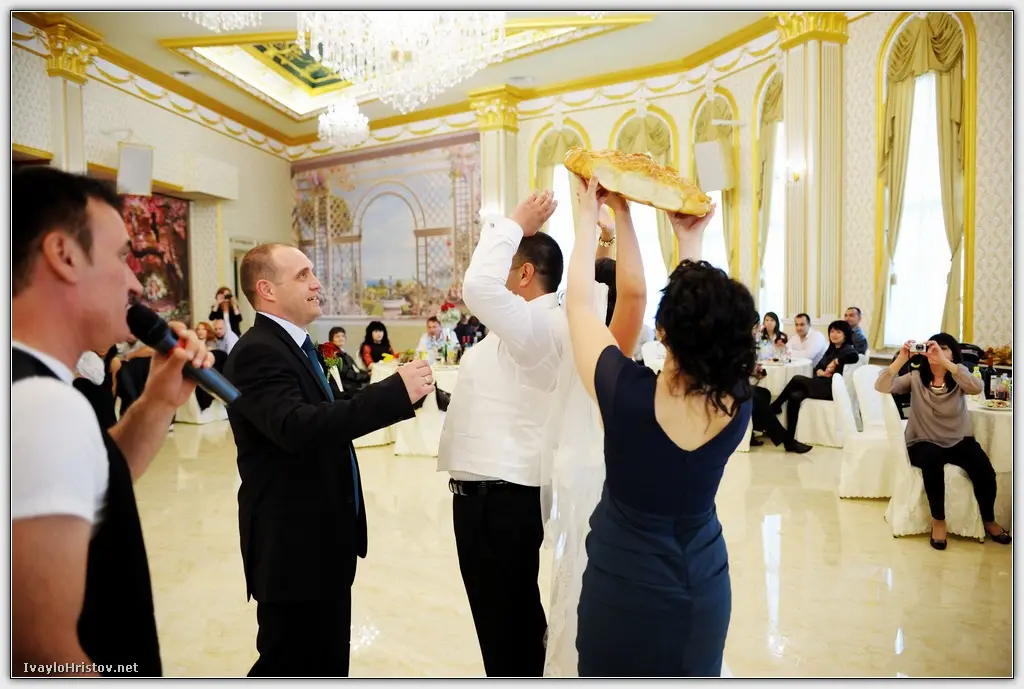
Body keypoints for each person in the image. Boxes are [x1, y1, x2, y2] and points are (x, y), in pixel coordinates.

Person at [12, 167, 214, 676]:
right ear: (64, 255)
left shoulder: (39, 389)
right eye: (122, 256)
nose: (134, 281)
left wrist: (158, 400)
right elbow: (38, 655)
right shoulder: (40, 403)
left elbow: (100, 481)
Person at [566, 175, 751, 677]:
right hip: (704, 583)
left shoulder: (625, 397)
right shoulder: (737, 402)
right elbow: (703, 320)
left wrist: (590, 218)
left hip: (624, 587)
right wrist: (689, 241)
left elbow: (579, 305)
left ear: (663, 332)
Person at [222, 243, 434, 677]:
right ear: (267, 289)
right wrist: (392, 393)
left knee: (325, 663)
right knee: (290, 665)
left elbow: (329, 414)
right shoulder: (256, 352)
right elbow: (298, 427)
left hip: (322, 544)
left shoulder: (294, 346)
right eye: (302, 275)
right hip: (293, 549)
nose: (317, 283)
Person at [437, 190, 562, 677]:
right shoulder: (520, 327)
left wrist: (514, 223)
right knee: (505, 620)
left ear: (525, 273)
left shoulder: (538, 322)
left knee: (509, 623)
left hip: (502, 501)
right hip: (487, 498)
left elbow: (477, 287)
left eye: (507, 265)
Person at [544, 184, 646, 677]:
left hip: (570, 461)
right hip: (604, 468)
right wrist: (617, 221)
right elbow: (632, 294)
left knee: (575, 573)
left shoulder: (570, 333)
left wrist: (595, 228)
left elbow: (585, 296)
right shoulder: (615, 350)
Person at [874, 334, 1011, 550]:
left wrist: (947, 363)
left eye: (943, 348)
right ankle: (938, 521)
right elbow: (881, 386)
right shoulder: (915, 377)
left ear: (953, 354)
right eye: (932, 347)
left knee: (984, 470)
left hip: (958, 439)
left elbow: (977, 388)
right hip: (923, 440)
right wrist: (901, 359)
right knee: (932, 462)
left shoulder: (959, 376)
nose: (935, 350)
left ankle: (989, 520)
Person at [768, 320, 860, 452]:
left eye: (838, 332)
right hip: (822, 384)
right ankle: (790, 440)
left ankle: (775, 406)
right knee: (794, 396)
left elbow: (854, 356)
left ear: (845, 335)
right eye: (832, 331)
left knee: (797, 379)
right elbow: (817, 368)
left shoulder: (848, 349)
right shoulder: (831, 349)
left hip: (832, 389)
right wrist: (822, 372)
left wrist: (836, 361)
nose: (834, 334)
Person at [321, 326, 370, 396]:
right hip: (346, 389)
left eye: (343, 336)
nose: (341, 338)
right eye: (337, 336)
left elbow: (355, 369)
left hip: (353, 384)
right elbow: (346, 373)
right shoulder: (333, 354)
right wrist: (366, 376)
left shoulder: (344, 354)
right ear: (331, 339)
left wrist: (367, 374)